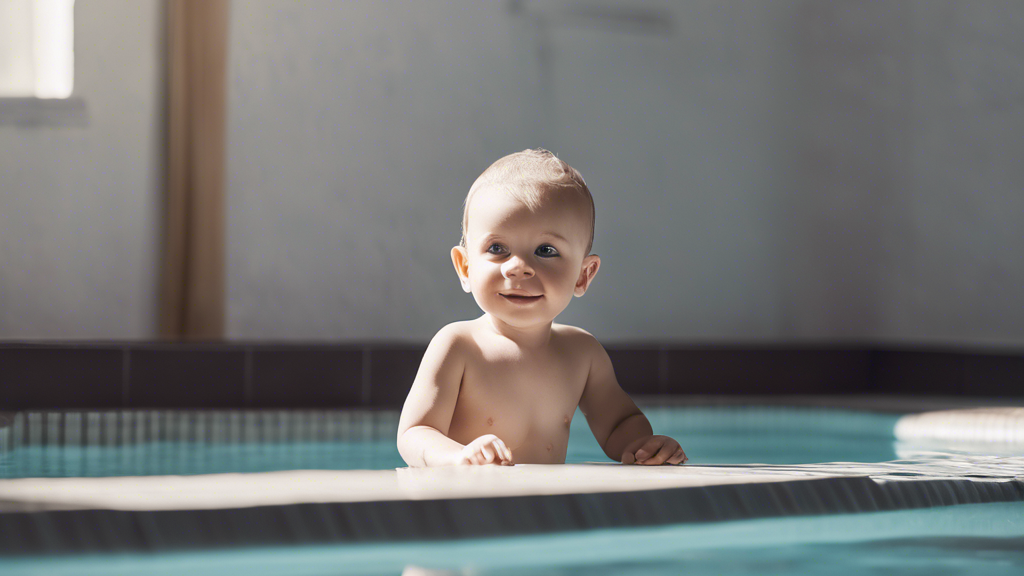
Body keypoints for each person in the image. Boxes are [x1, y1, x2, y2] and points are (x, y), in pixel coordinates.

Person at [397, 149, 687, 467]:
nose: (519, 267)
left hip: (544, 514)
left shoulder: (583, 354)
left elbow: (619, 423)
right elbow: (415, 432)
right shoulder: (459, 347)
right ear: (465, 268)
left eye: (545, 250)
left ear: (582, 275)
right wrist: (456, 455)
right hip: (469, 509)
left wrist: (644, 445)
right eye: (497, 248)